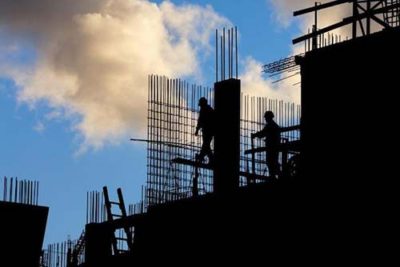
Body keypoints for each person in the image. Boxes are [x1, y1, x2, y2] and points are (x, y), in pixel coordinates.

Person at [251, 111, 281, 178]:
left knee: (271, 161)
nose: (265, 119)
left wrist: (255, 135)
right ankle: (276, 174)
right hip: (274, 147)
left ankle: (274, 175)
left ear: (269, 117)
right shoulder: (274, 125)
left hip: (271, 147)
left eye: (266, 117)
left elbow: (262, 133)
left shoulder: (270, 125)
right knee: (273, 161)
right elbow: (263, 133)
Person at [195, 97, 215, 164]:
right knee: (206, 145)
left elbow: (200, 121)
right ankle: (203, 156)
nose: (200, 106)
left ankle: (205, 157)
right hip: (209, 131)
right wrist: (197, 129)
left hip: (208, 131)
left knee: (206, 144)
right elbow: (200, 121)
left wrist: (197, 130)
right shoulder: (209, 109)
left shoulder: (205, 110)